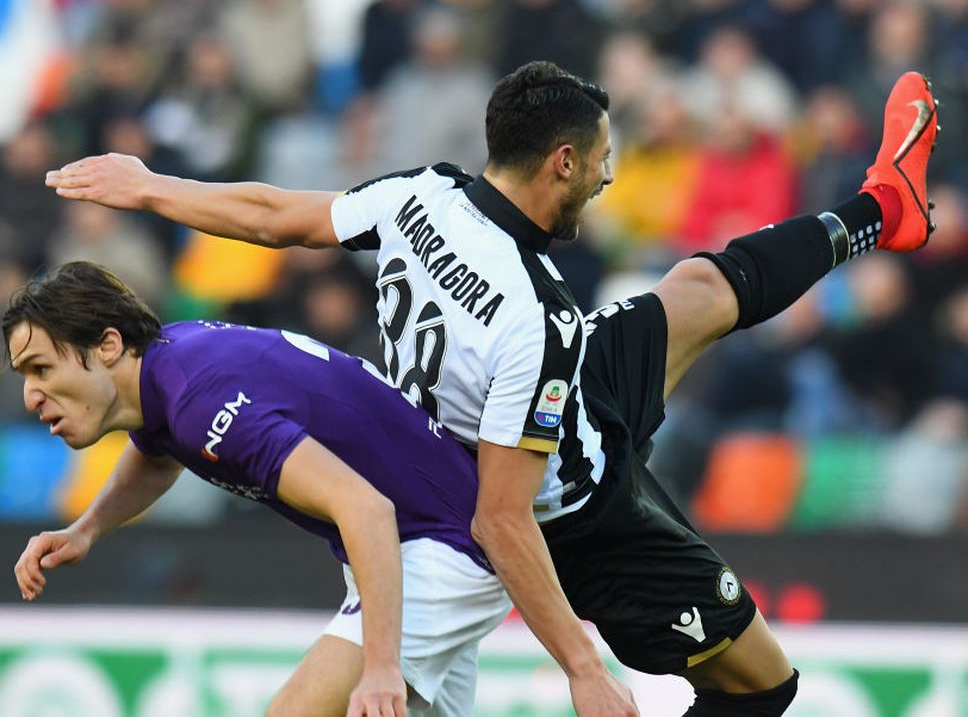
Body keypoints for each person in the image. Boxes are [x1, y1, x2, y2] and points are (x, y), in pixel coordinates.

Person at [46, 63, 939, 716]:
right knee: (762, 688)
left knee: (698, 290)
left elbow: (278, 217)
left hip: (567, 395)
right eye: (600, 160)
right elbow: (504, 520)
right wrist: (583, 667)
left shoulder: (421, 196)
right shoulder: (535, 320)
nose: (608, 175)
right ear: (560, 161)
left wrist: (156, 189)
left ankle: (881, 208)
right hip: (575, 509)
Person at [6, 261, 512, 717]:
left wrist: (380, 666)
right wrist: (86, 530)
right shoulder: (168, 370)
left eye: (41, 369)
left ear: (108, 345)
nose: (30, 395)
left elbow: (366, 508)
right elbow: (157, 452)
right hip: (414, 541)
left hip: (436, 546)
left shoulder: (202, 405)